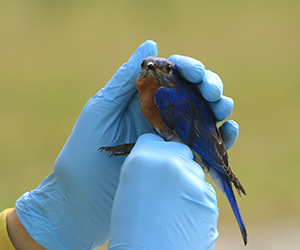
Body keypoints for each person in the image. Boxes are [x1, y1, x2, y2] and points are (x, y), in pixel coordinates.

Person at [0, 40, 239, 250]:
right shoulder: (152, 97)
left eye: (162, 69)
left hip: (202, 153)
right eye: (145, 68)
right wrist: (51, 221)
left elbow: (193, 140)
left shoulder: (167, 97)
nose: (152, 70)